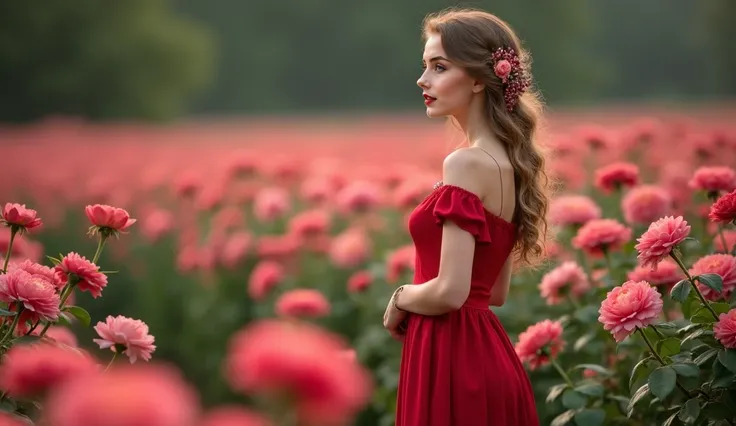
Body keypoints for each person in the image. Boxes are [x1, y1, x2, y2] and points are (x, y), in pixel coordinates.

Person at [382, 7, 550, 426]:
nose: (423, 80)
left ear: (478, 78)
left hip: (453, 360)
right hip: (485, 355)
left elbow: (452, 293)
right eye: (425, 67)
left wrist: (401, 296)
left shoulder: (466, 163)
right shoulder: (507, 162)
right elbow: (492, 293)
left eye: (439, 67)